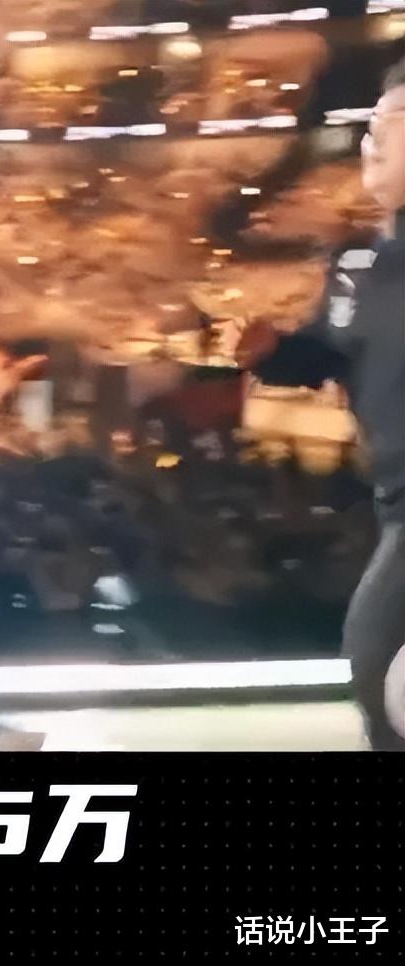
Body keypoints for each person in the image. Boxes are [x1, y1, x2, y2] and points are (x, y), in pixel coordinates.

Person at [236, 58, 405, 750]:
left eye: (395, 123)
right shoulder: (359, 268)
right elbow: (331, 352)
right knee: (376, 671)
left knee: (376, 659)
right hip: (394, 503)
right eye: (372, 124)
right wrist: (273, 352)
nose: (374, 139)